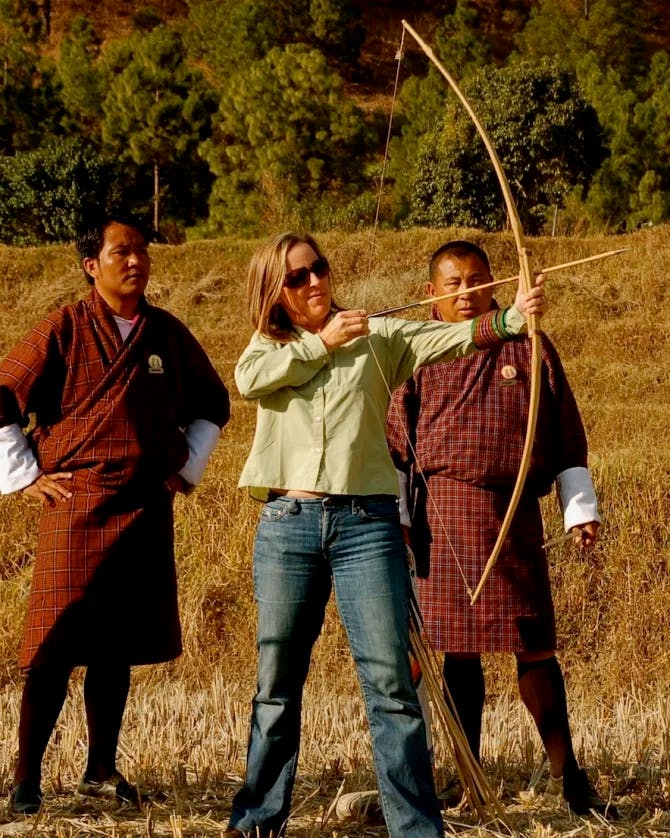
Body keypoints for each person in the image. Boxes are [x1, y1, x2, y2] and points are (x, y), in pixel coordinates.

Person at [226, 232, 545, 838]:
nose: (315, 281)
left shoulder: (380, 335)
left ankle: (416, 828)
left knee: (392, 683)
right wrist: (323, 343)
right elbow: (250, 382)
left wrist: (508, 318)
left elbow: (449, 335)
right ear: (276, 290)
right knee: (276, 682)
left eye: (318, 268)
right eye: (297, 278)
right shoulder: (268, 346)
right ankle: (258, 820)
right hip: (288, 527)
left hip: (367, 527)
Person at [0, 213, 230, 815]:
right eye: (121, 251)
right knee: (51, 645)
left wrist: (186, 468)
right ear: (91, 265)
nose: (136, 261)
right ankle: (26, 779)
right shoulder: (64, 328)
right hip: (76, 506)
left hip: (145, 508)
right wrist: (24, 476)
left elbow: (214, 402)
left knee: (116, 647)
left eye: (142, 251)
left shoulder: (166, 334)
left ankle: (101, 768)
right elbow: (2, 395)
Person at [386, 240, 616, 818]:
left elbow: (564, 431)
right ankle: (467, 781)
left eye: (477, 279)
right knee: (458, 652)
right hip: (443, 513)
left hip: (514, 513)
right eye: (453, 282)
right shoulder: (414, 350)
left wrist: (578, 507)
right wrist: (401, 518)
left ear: (495, 282)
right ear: (431, 291)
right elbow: (392, 445)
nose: (467, 292)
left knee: (535, 646)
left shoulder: (529, 344)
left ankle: (569, 777)